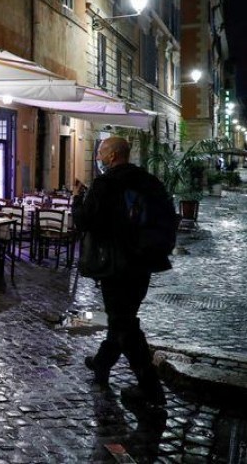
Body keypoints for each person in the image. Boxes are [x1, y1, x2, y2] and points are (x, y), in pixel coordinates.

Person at [72, 136, 170, 407]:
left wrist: (77, 199)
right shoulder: (149, 181)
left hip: (115, 266)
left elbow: (84, 221)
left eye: (102, 153)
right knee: (122, 317)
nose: (99, 158)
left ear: (113, 156)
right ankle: (102, 364)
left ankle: (151, 388)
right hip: (144, 264)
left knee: (123, 323)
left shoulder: (106, 184)